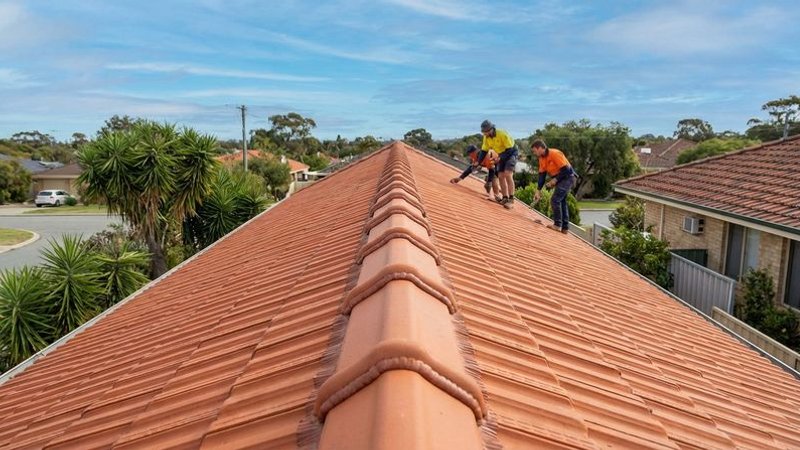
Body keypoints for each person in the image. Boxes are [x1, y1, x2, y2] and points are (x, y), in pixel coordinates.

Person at [532, 139, 577, 233]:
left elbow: (567, 169)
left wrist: (555, 180)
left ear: (540, 148)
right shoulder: (541, 159)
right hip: (560, 178)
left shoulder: (555, 153)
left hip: (568, 177)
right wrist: (538, 190)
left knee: (555, 200)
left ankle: (557, 225)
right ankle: (565, 228)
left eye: (534, 151)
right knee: (562, 201)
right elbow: (542, 176)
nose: (534, 153)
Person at [480, 120, 518, 209]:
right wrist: (478, 162)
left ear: (491, 129)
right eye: (483, 132)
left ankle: (511, 199)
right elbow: (483, 151)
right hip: (500, 155)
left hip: (511, 153)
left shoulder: (502, 134)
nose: (485, 134)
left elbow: (509, 150)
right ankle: (505, 198)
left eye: (486, 132)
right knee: (500, 176)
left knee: (508, 174)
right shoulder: (486, 138)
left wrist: (499, 158)